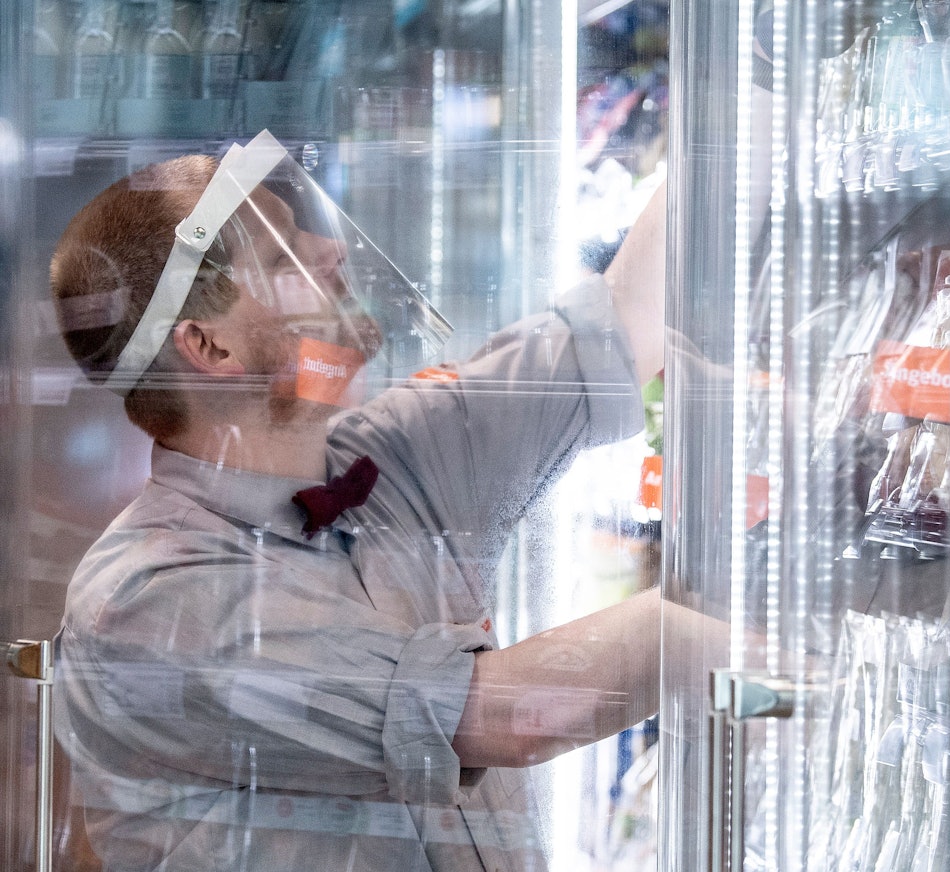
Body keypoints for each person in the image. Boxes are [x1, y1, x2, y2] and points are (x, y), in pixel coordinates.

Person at [49, 130, 672, 872]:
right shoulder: (144, 601)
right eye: (284, 258)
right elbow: (498, 718)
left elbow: (629, 319)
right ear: (209, 348)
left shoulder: (391, 454)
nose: (329, 252)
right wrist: (728, 618)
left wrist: (750, 75)